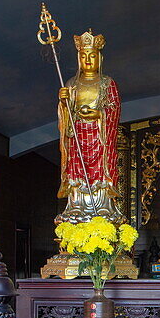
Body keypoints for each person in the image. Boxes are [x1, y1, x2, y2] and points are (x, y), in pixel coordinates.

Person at [57, 29, 123, 224]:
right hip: (77, 134)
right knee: (76, 169)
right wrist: (63, 103)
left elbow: (115, 108)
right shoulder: (71, 84)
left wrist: (99, 114)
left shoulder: (107, 83)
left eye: (92, 56)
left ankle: (102, 204)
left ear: (99, 58)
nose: (88, 60)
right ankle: (77, 204)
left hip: (99, 136)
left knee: (101, 170)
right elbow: (66, 114)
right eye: (84, 56)